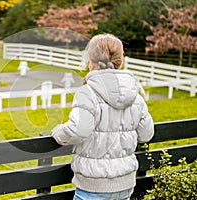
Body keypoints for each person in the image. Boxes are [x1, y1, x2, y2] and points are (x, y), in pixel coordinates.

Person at [51, 33, 154, 200]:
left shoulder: (87, 93)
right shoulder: (135, 96)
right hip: (126, 184)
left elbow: (78, 131)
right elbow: (146, 134)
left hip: (94, 185)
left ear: (91, 63)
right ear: (120, 62)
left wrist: (57, 132)